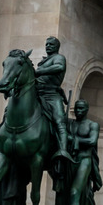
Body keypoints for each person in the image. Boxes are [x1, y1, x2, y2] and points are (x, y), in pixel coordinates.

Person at [54, 98, 103, 205]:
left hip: (84, 160)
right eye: (76, 108)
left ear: (87, 109)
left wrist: (72, 139)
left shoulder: (93, 125)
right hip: (69, 161)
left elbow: (92, 141)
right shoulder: (69, 123)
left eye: (81, 108)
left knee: (75, 192)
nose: (78, 111)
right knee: (68, 195)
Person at [37, 36, 73, 164]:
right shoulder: (44, 61)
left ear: (57, 47)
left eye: (51, 44)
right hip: (37, 92)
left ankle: (63, 150)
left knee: (59, 121)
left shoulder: (59, 58)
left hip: (51, 94)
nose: (48, 46)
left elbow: (59, 67)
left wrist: (41, 71)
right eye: (46, 44)